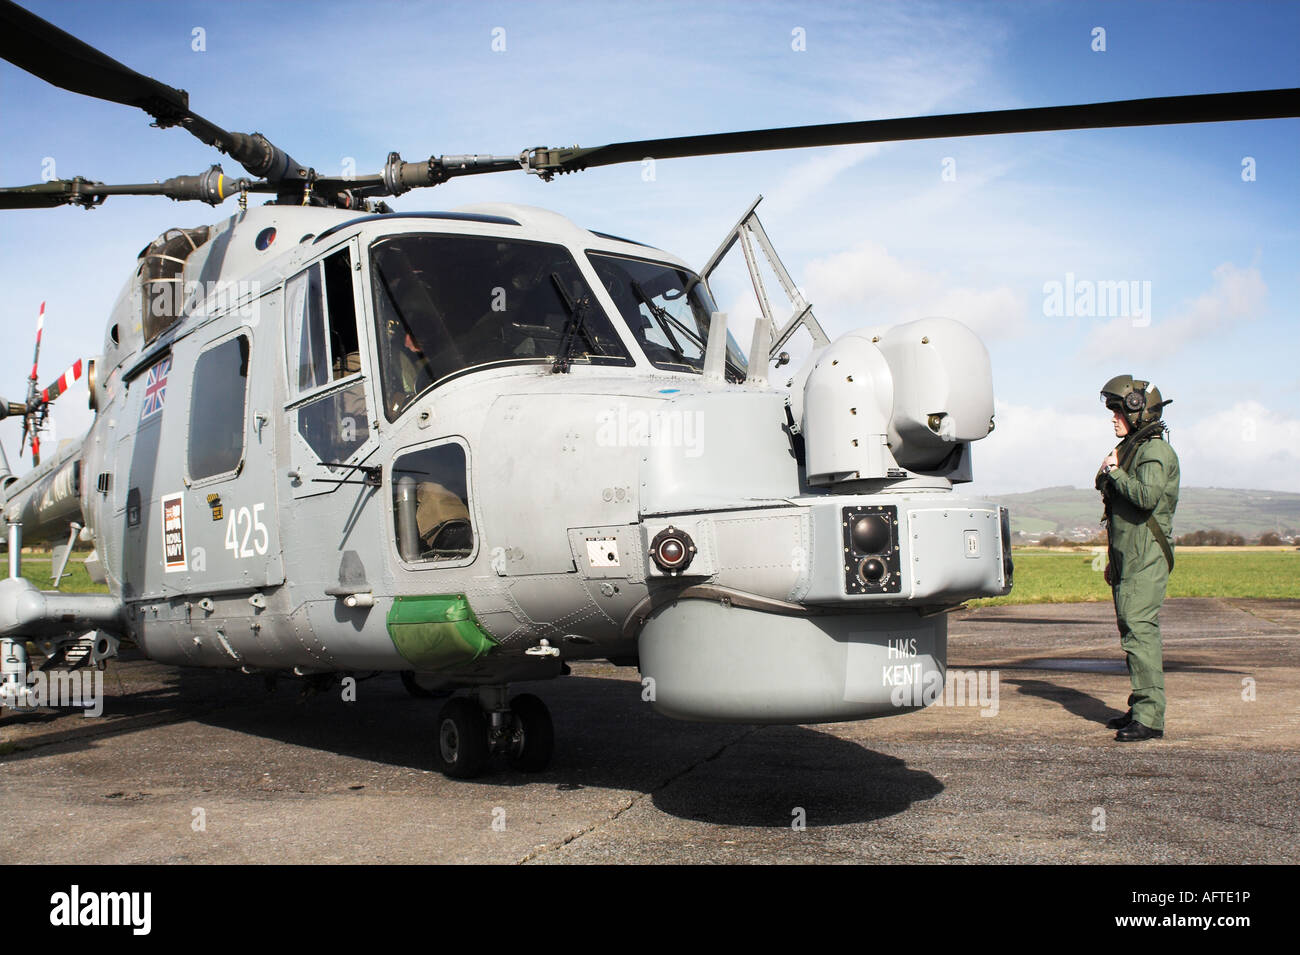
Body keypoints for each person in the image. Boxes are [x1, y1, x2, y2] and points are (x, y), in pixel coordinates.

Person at [1096, 375, 1180, 742]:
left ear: (1136, 410)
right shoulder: (1135, 447)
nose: (1113, 417)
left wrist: (1114, 471)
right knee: (1132, 631)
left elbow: (1145, 498)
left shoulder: (1154, 451)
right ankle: (1140, 707)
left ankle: (1150, 718)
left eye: (1117, 410)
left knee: (1139, 631)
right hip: (1130, 555)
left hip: (1146, 555)